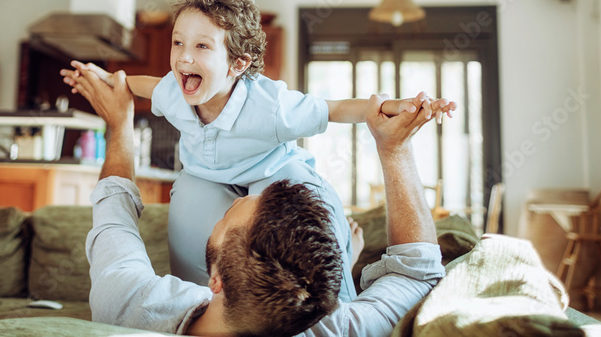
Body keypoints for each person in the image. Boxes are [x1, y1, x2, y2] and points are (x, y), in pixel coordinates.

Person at [62, 0, 456, 302]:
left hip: (275, 172)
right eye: (178, 42)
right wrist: (108, 79)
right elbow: (145, 86)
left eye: (202, 46)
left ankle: (342, 279)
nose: (183, 57)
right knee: (189, 245)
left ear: (238, 64)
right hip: (207, 178)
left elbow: (336, 108)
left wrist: (390, 106)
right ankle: (214, 315)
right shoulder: (175, 91)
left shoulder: (273, 107)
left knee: (311, 246)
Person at [73, 67, 446, 337]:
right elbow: (417, 272)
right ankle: (340, 266)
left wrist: (119, 123)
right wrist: (394, 148)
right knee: (293, 176)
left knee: (195, 187)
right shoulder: (340, 328)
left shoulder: (130, 305)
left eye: (230, 215)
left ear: (214, 281)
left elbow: (114, 217)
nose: (236, 199)